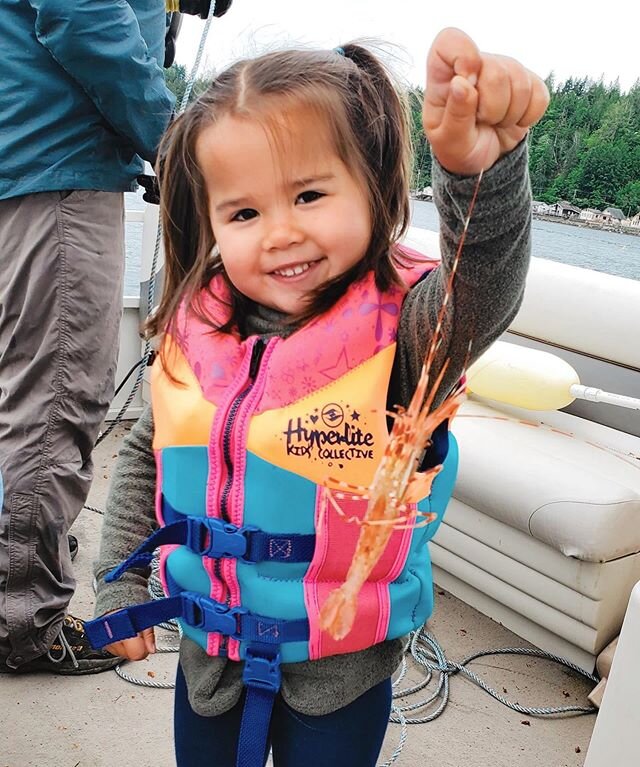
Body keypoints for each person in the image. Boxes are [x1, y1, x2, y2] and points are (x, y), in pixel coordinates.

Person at [88, 27, 548, 766]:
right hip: (208, 656)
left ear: (372, 188)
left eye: (308, 194)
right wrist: (118, 585)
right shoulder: (195, 330)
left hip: (342, 671)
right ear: (209, 221)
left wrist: (477, 175)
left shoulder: (408, 338)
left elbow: (482, 286)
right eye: (243, 213)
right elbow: (148, 453)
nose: (280, 233)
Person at [0, 0, 175, 675]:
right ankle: (23, 624)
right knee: (54, 405)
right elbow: (82, 15)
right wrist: (174, 140)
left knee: (24, 401)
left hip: (30, 162)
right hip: (58, 170)